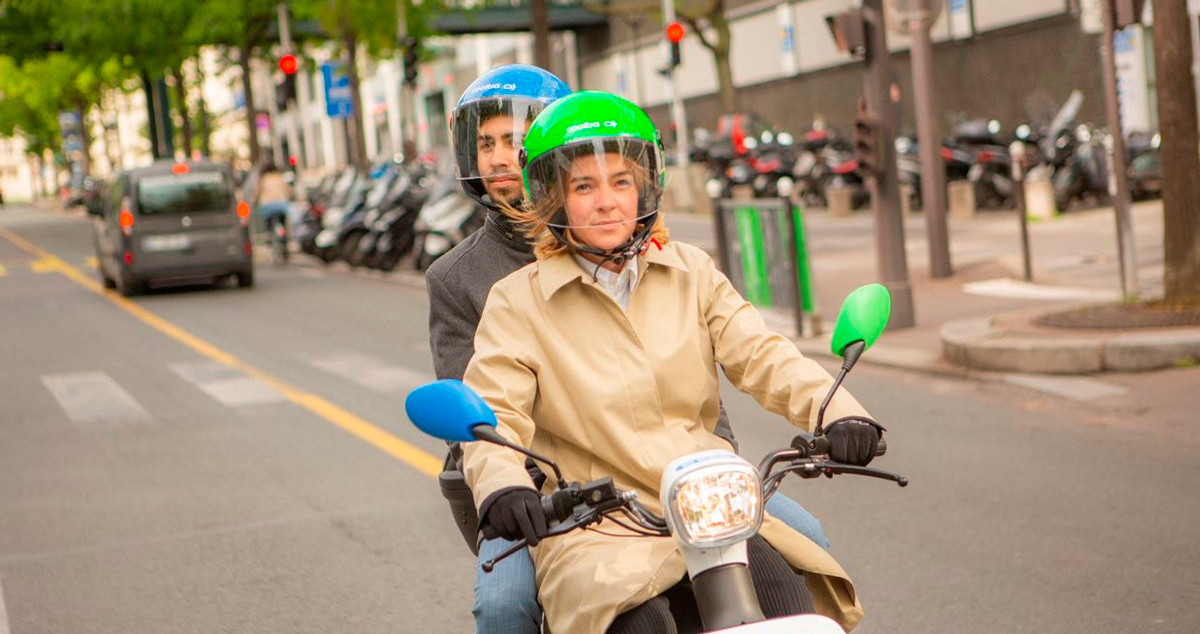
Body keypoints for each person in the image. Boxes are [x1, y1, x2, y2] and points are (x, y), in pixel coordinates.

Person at [428, 69, 838, 634]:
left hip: (698, 499)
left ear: (645, 186)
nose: (605, 203)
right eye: (584, 187)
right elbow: (492, 407)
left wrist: (838, 411)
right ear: (552, 195)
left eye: (620, 182)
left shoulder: (690, 271)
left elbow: (766, 355)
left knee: (795, 595)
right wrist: (504, 483)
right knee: (518, 610)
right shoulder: (511, 299)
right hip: (590, 518)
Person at [253, 160, 291, 249]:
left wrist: (255, 200)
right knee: (282, 222)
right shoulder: (280, 176)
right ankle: (284, 240)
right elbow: (288, 189)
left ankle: (270, 235)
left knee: (268, 224)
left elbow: (257, 192)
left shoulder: (263, 178)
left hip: (267, 205)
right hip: (281, 204)